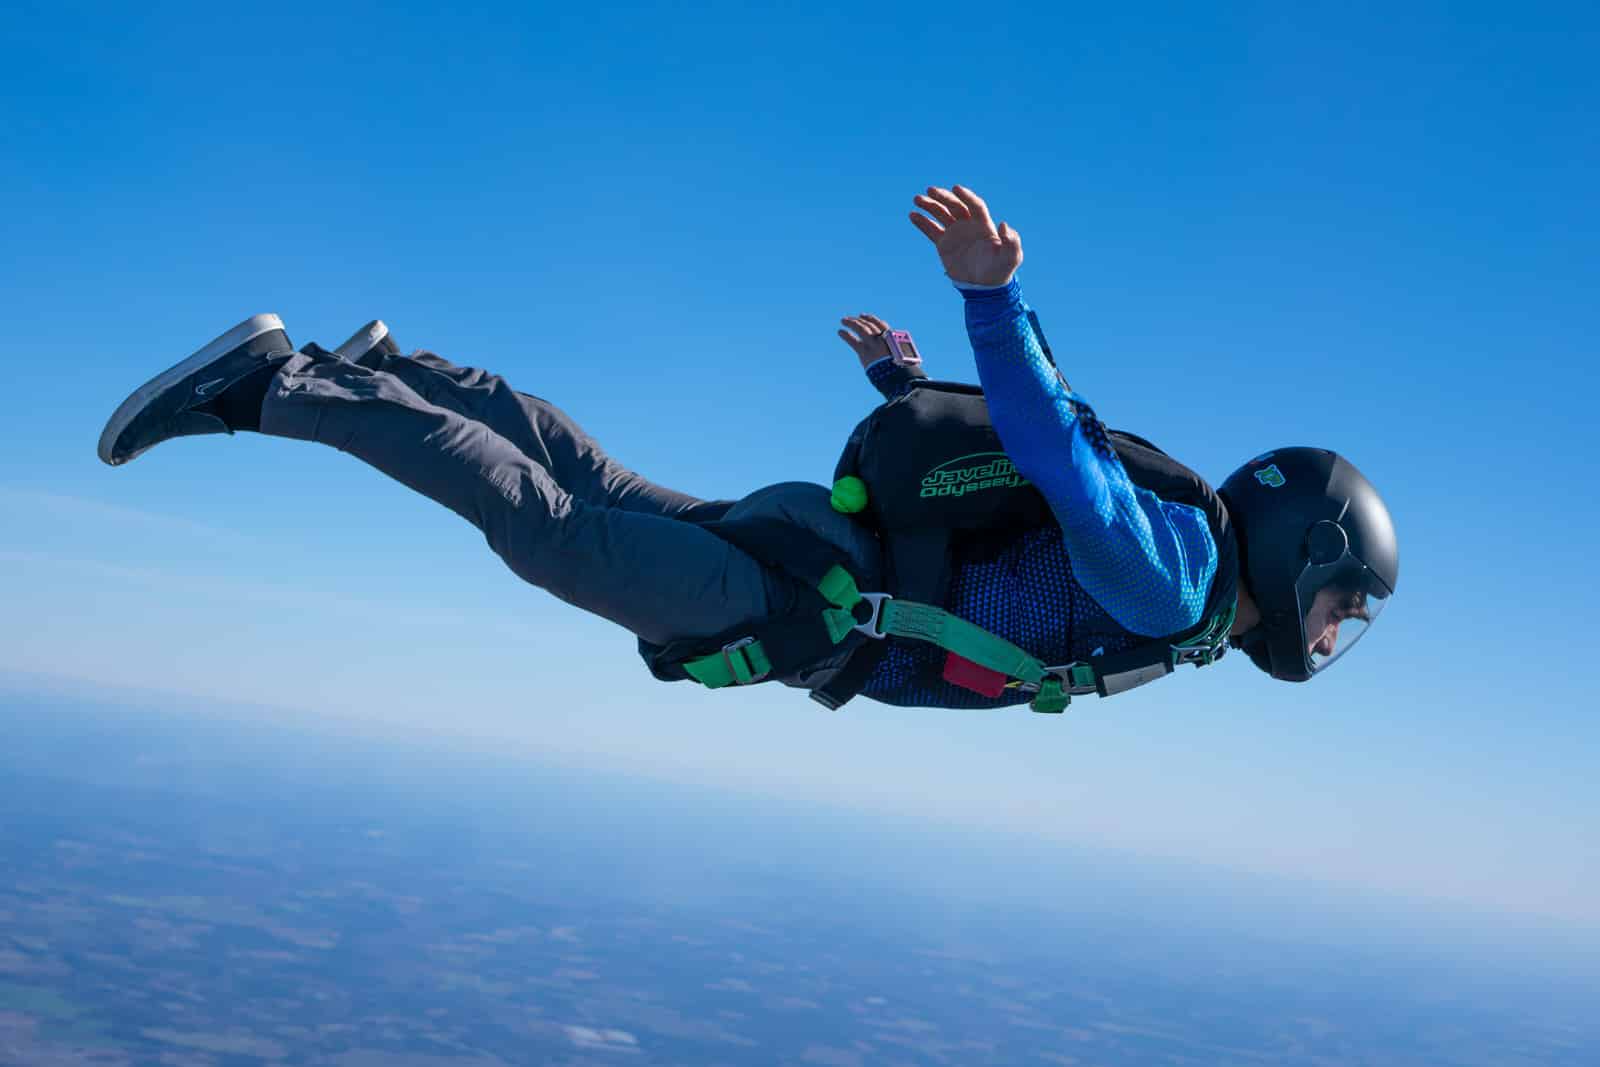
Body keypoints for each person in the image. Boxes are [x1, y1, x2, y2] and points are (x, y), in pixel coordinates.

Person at [97, 185, 1398, 713]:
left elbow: (1041, 470)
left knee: (596, 488)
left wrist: (909, 386)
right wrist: (989, 304)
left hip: (837, 556)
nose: (1332, 635)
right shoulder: (1181, 583)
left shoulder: (1184, 565)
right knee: (560, 532)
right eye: (1344, 604)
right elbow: (1057, 458)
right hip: (820, 592)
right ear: (1301, 552)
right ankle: (281, 389)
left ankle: (393, 367)